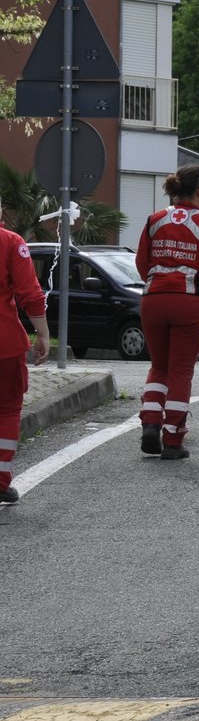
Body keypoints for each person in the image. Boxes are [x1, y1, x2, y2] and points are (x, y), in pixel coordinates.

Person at [135, 165, 199, 459]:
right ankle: (172, 439)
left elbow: (142, 264)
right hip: (189, 303)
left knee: (159, 365)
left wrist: (159, 282)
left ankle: (151, 423)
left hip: (153, 300)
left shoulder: (155, 220)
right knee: (181, 370)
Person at [0, 197, 50, 503]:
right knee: (6, 410)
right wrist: (43, 333)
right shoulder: (10, 242)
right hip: (4, 344)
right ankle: (0, 480)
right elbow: (29, 293)